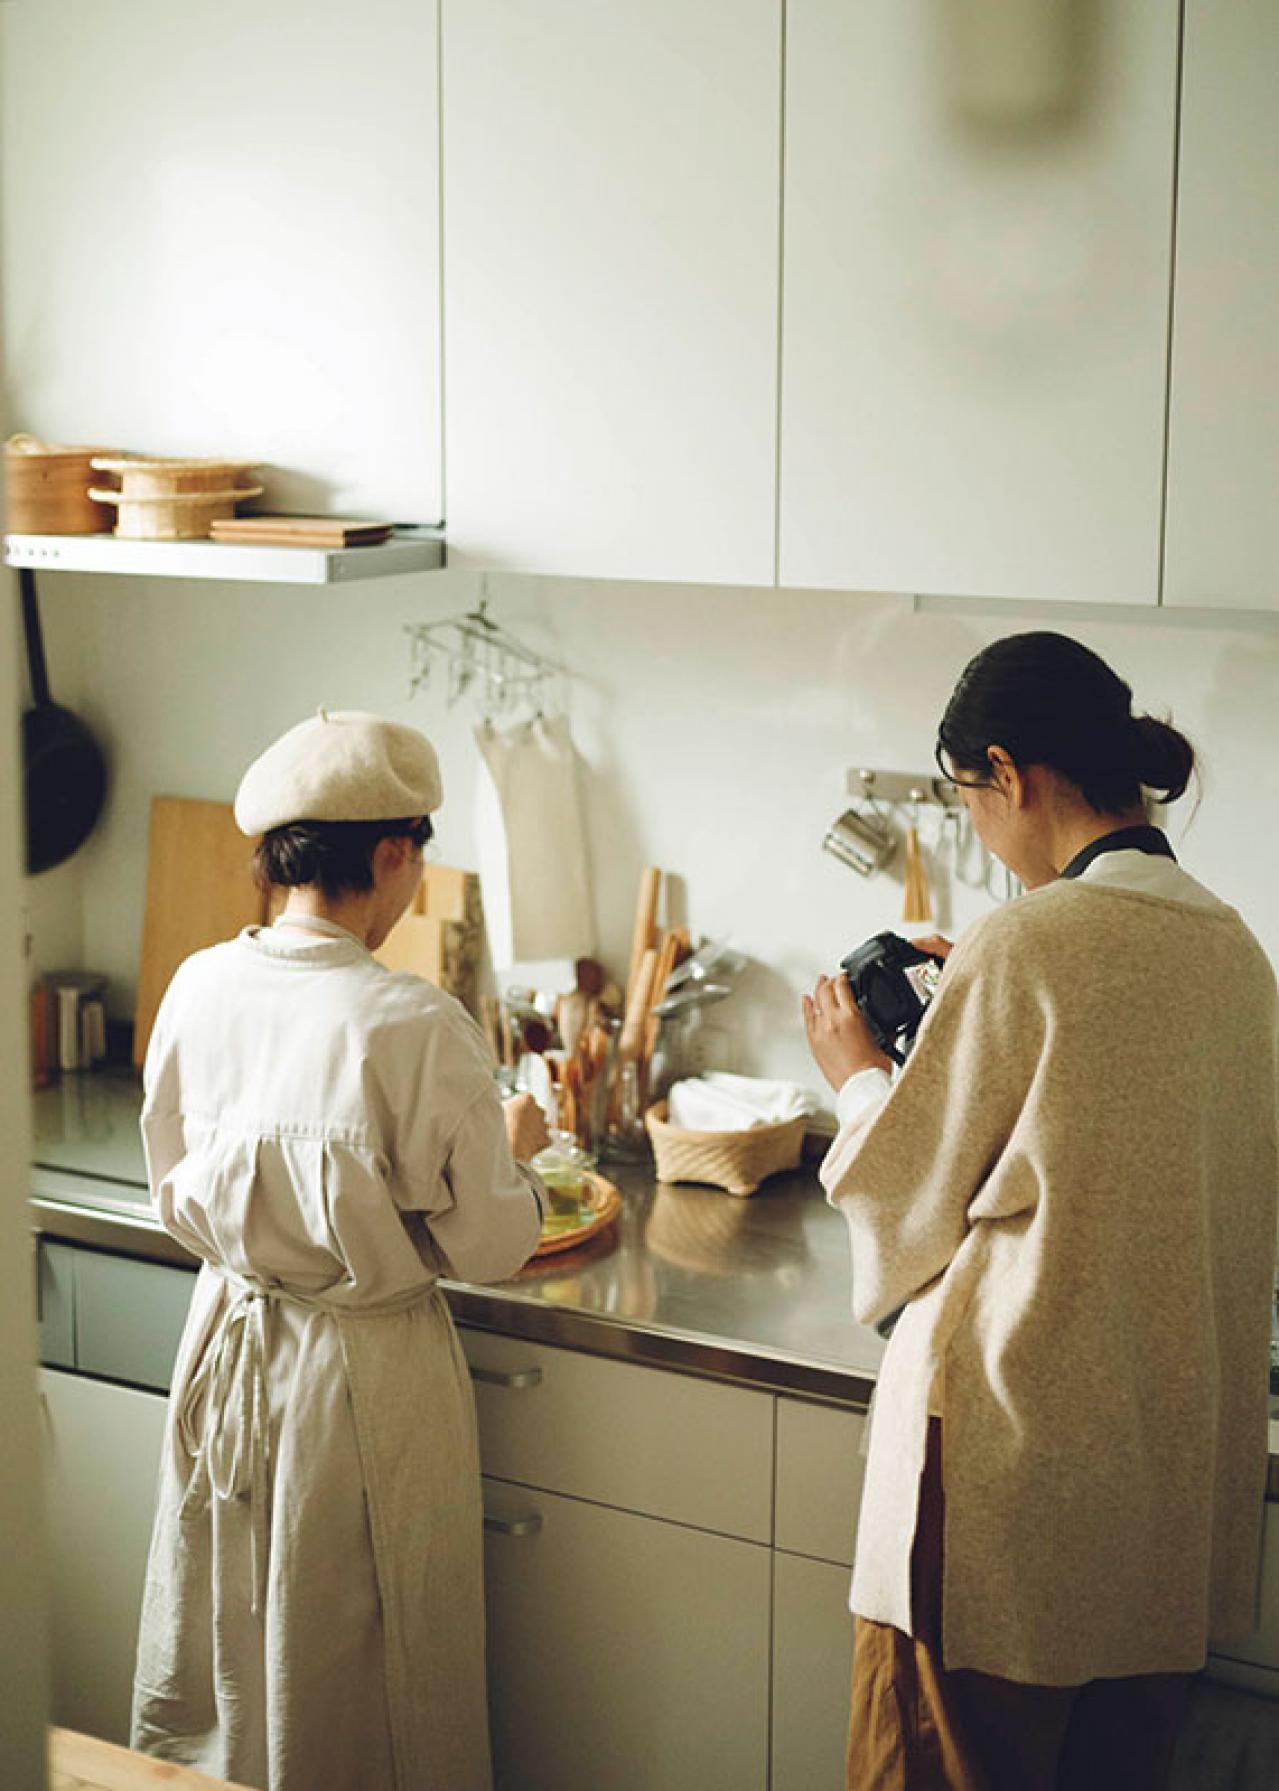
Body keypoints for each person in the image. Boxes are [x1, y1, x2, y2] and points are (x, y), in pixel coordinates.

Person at [803, 632, 1278, 1791]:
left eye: (968, 798)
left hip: (1003, 1492)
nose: (977, 826)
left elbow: (905, 1203)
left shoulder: (1023, 941)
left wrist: (858, 1074)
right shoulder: (1234, 951)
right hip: (1155, 1490)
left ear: (1006, 775)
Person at [131, 709, 550, 1791]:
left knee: (224, 1644)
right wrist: (510, 1150)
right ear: (392, 854)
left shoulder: (197, 985)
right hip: (359, 1379)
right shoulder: (409, 1021)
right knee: (365, 1666)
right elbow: (494, 1240)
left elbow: (171, 1178)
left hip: (223, 1341)